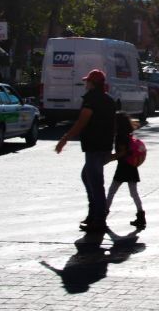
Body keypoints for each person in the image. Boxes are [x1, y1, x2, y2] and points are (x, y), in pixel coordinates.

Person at [55, 69, 116, 234]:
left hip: (94, 146)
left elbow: (82, 122)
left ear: (93, 83)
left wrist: (64, 139)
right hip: (104, 145)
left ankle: (98, 218)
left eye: (87, 81)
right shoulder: (109, 100)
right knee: (88, 176)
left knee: (95, 182)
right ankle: (94, 214)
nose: (85, 84)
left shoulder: (90, 100)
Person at [105, 112, 146, 229]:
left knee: (112, 191)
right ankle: (141, 215)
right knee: (134, 193)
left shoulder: (120, 136)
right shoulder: (127, 134)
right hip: (131, 167)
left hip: (123, 167)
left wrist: (109, 158)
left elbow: (122, 153)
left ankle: (104, 213)